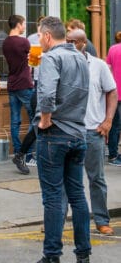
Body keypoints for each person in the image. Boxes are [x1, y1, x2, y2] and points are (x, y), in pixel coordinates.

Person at [34, 15, 90, 263]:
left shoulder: (51, 58)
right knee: (77, 195)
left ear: (47, 36)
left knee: (53, 197)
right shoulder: (81, 57)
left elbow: (46, 94)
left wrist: (45, 120)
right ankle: (83, 254)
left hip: (55, 134)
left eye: (39, 36)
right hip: (78, 132)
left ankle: (52, 255)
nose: (39, 40)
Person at [65, 28, 117, 236]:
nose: (67, 44)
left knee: (97, 179)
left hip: (92, 131)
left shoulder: (99, 66)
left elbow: (112, 92)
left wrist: (108, 121)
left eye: (70, 41)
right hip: (66, 130)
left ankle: (102, 220)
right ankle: (57, 221)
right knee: (64, 179)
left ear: (82, 43)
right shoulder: (61, 63)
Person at [3, 14, 35, 174]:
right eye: (23, 24)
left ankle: (17, 151)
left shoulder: (6, 43)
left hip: (11, 83)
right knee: (35, 118)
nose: (24, 27)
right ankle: (27, 153)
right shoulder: (23, 42)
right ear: (18, 25)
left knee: (15, 120)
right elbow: (33, 59)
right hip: (24, 83)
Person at [105, 30, 121, 164]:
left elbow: (108, 69)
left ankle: (113, 155)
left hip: (114, 92)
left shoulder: (112, 49)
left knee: (114, 125)